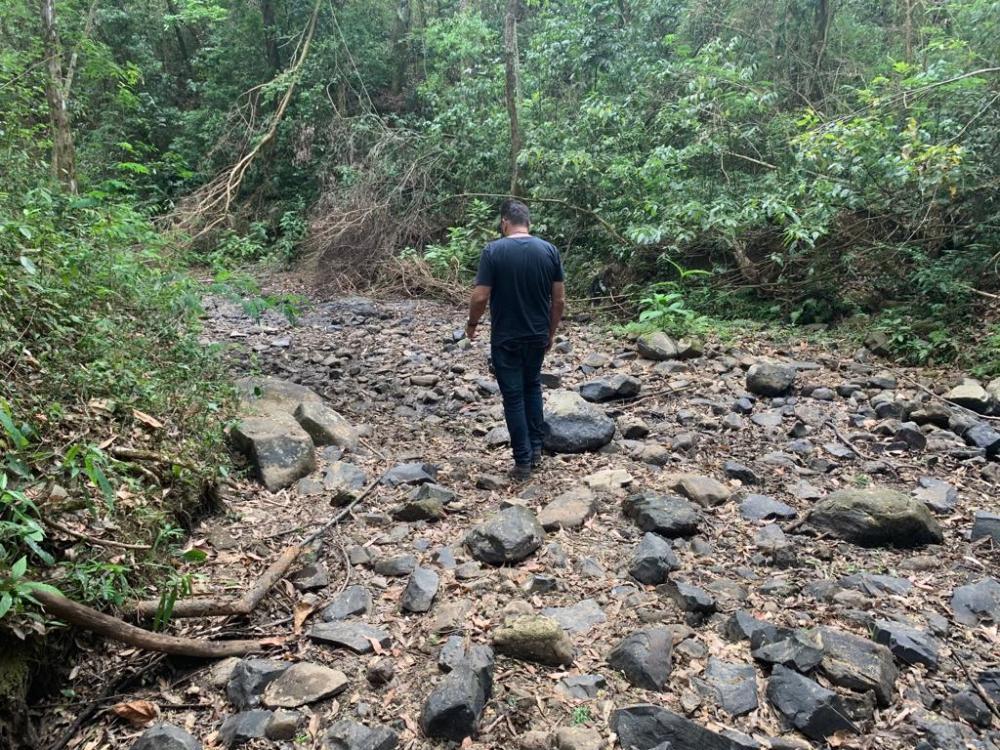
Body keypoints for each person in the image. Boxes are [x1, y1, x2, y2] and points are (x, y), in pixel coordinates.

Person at [465, 199, 565, 480]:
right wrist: (550, 332)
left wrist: (472, 324)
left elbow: (481, 296)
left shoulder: (493, 251)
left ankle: (522, 463)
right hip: (536, 334)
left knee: (513, 397)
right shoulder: (549, 251)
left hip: (506, 337)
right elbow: (558, 300)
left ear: (504, 223)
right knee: (532, 387)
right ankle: (535, 450)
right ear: (528, 223)